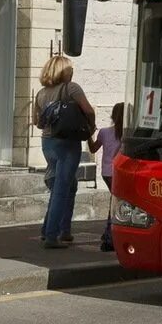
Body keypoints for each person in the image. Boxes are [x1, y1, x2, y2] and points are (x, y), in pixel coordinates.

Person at [33, 55, 95, 249]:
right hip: (67, 141)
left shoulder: (41, 93)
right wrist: (91, 127)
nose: (72, 72)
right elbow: (89, 110)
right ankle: (52, 235)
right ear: (65, 71)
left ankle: (60, 230)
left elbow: (37, 122)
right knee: (61, 188)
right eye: (70, 69)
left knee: (68, 185)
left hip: (48, 142)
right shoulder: (72, 88)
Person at [88, 103, 123, 252]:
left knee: (113, 202)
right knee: (115, 205)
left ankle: (108, 234)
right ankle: (110, 236)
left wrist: (89, 135)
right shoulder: (127, 134)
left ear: (112, 116)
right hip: (119, 173)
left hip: (106, 173)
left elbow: (93, 148)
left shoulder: (104, 132)